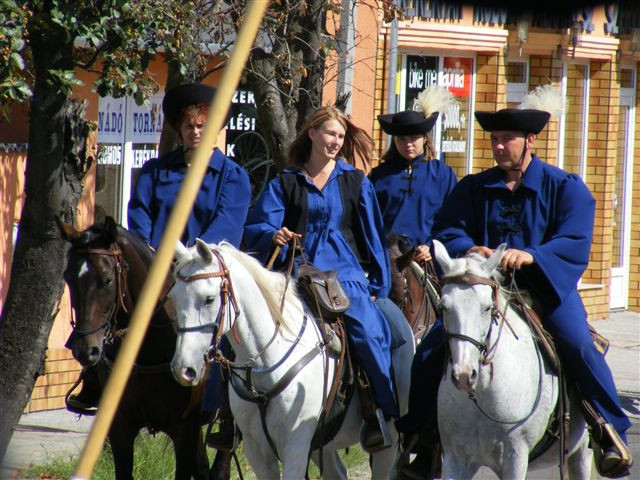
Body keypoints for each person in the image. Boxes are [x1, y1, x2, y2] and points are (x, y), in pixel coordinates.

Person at [429, 106, 633, 478]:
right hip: (483, 291)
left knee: (578, 344)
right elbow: (446, 230)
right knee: (430, 348)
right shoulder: (473, 187)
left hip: (544, 288)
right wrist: (472, 248)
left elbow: (575, 238)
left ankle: (608, 430)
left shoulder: (564, 186)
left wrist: (533, 255)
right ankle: (420, 438)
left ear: (530, 142)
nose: (499, 146)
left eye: (507, 139)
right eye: (494, 139)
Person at [68, 84, 251, 453]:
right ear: (179, 130)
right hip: (156, 268)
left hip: (204, 272)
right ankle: (95, 381)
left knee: (228, 333)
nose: (195, 131)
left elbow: (225, 227)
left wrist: (185, 262)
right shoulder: (153, 172)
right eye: (188, 126)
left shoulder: (232, 176)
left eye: (202, 125)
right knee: (113, 307)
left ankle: (227, 413)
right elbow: (140, 220)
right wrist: (153, 257)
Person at [244, 106, 397, 453]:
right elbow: (258, 226)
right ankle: (233, 420)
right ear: (311, 133)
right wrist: (274, 234)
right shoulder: (286, 181)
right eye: (330, 133)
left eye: (341, 136)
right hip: (296, 271)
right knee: (245, 328)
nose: (335, 141)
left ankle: (380, 413)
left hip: (345, 276)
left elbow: (373, 236)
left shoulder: (354, 180)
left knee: (368, 331)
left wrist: (378, 288)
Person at [370, 101, 457, 478]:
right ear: (395, 139)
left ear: (425, 138)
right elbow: (368, 224)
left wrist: (433, 244)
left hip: (429, 264)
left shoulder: (442, 174)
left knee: (452, 332)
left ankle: (432, 434)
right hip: (386, 265)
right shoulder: (376, 177)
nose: (410, 144)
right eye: (403, 138)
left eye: (416, 137)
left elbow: (454, 220)